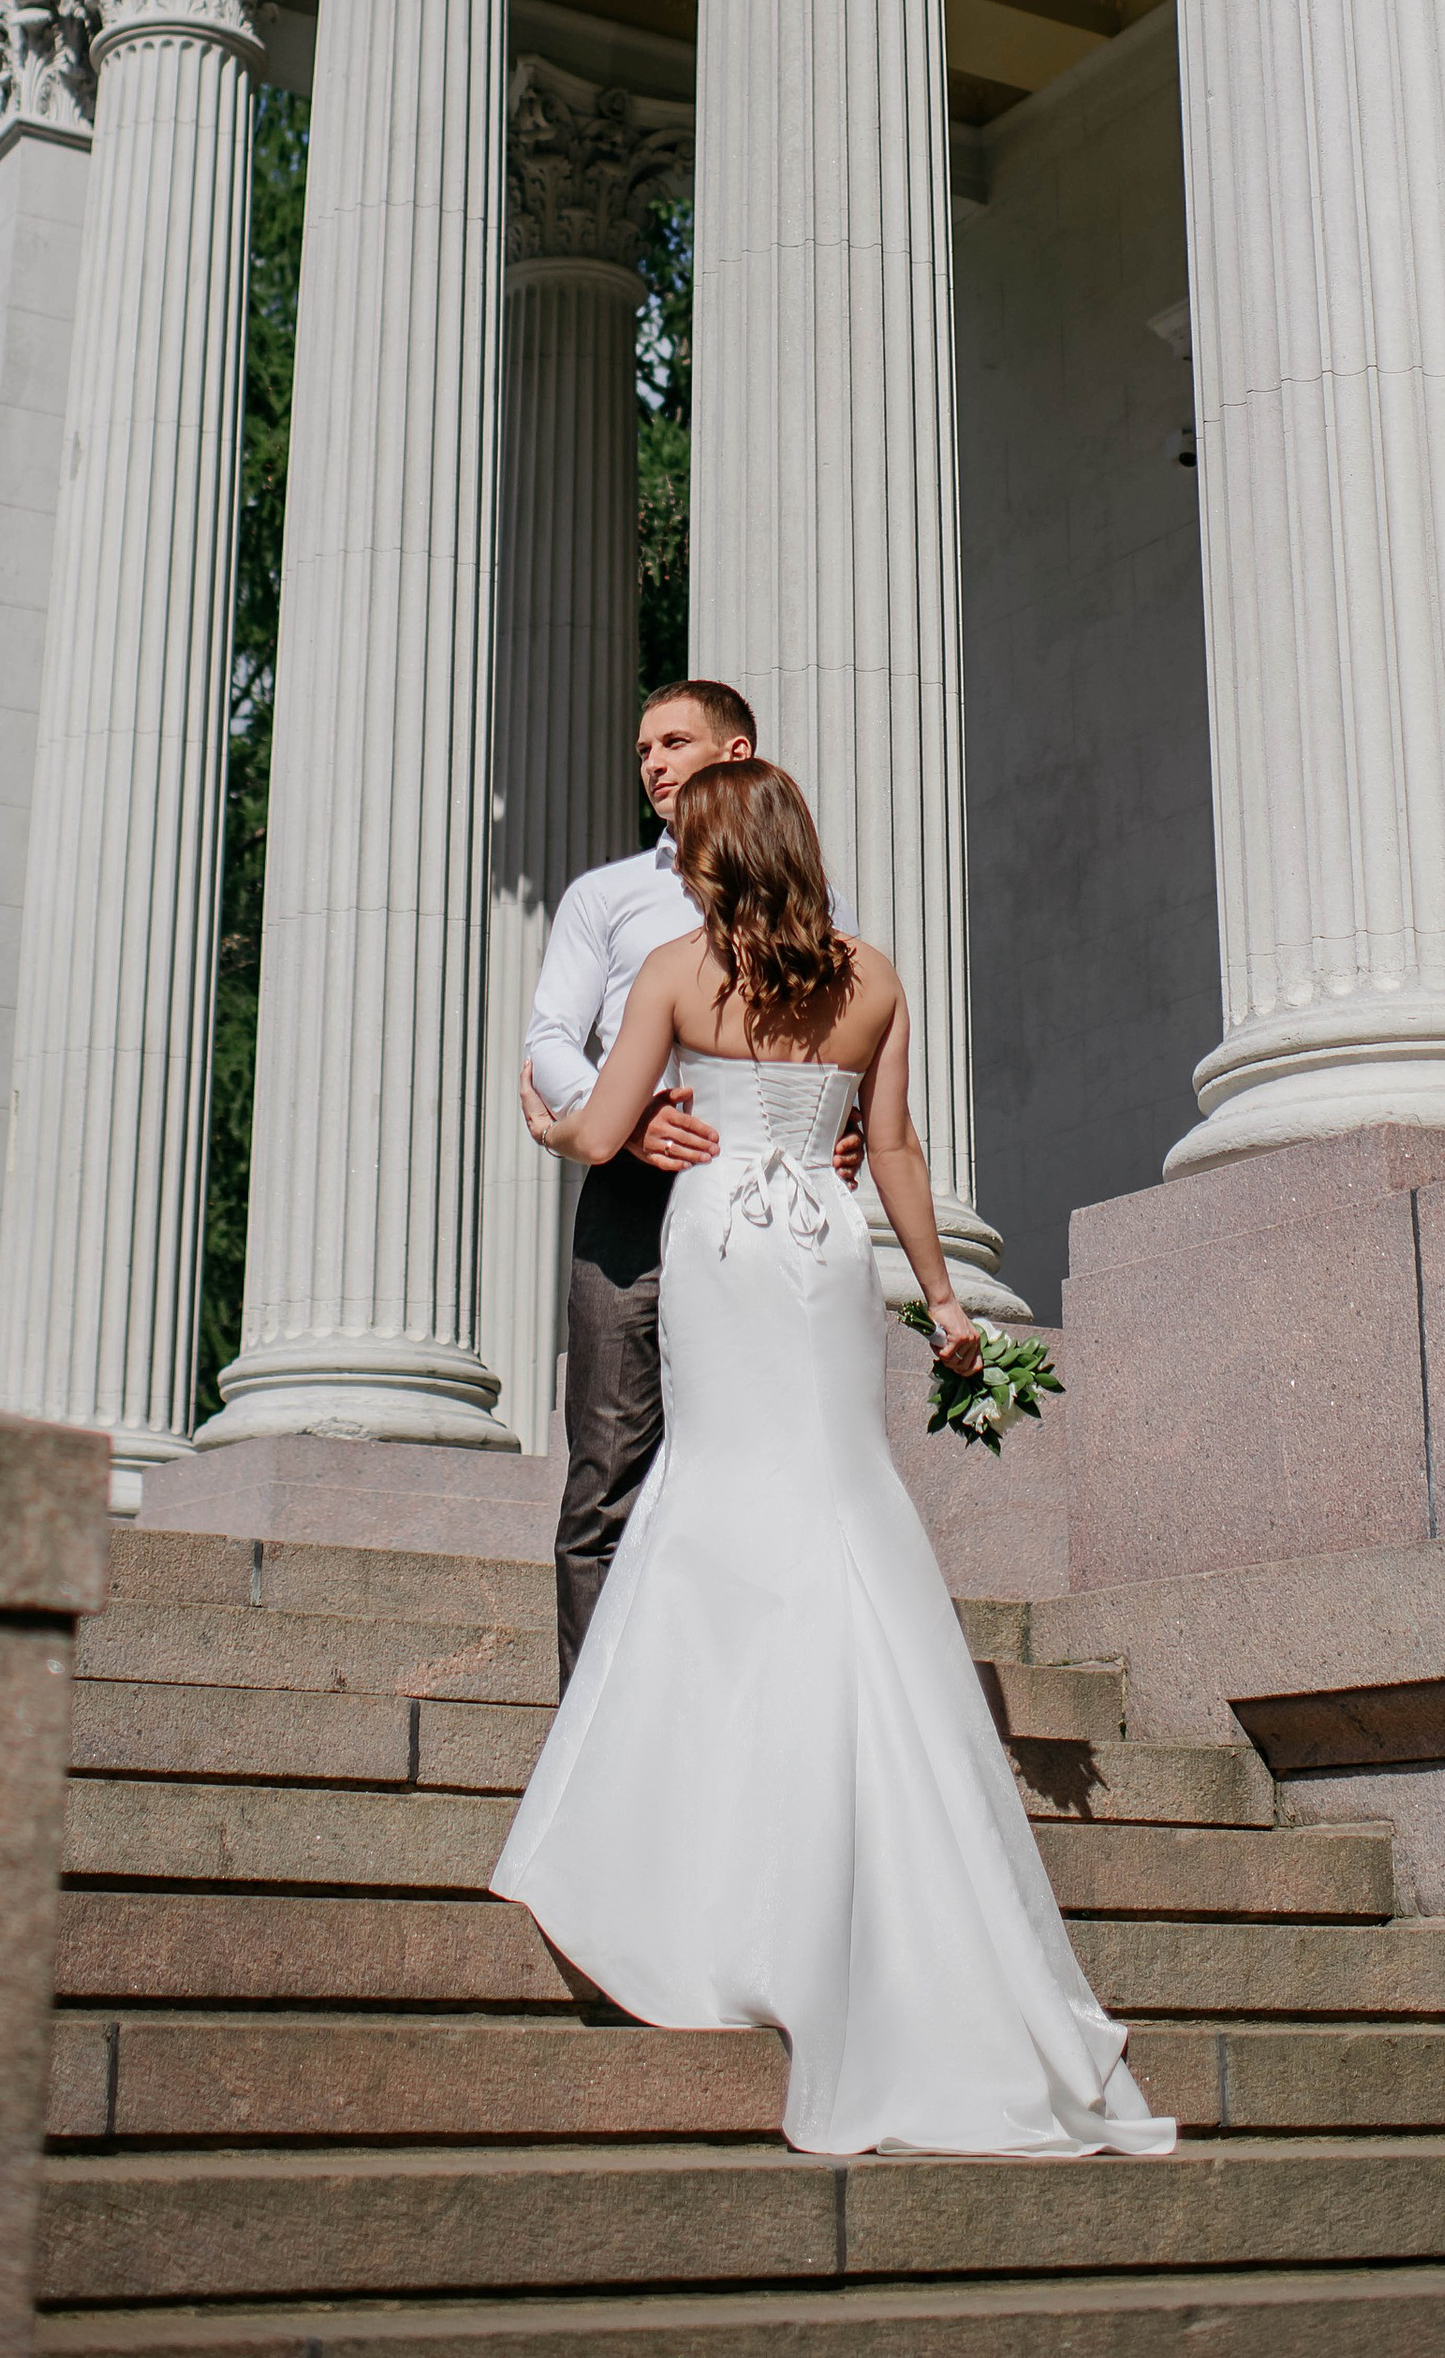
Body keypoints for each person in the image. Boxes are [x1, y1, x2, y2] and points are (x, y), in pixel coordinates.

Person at [493, 756, 1175, 2163]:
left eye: (691, 842)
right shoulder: (872, 977)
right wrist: (946, 1301)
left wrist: (548, 1117)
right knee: (839, 1503)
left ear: (716, 854)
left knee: (710, 1506)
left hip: (718, 1248)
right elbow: (900, 1149)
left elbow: (608, 1129)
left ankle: (700, 1850)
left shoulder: (678, 971)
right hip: (823, 1254)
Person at [521, 679, 859, 1685]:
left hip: (762, 1208)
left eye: (673, 742)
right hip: (634, 1199)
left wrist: (833, 1134)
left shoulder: (817, 905)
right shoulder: (606, 896)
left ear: (735, 751)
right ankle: (594, 1721)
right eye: (642, 750)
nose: (653, 763)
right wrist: (620, 1123)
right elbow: (550, 1035)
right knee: (606, 1471)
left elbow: (837, 1043)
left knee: (763, 1455)